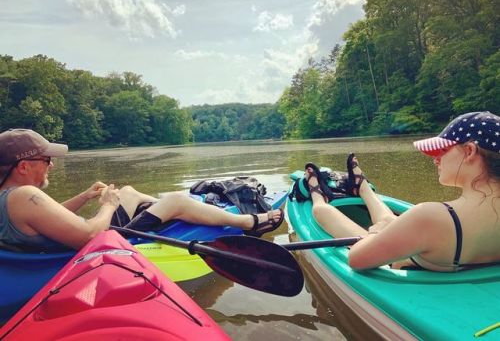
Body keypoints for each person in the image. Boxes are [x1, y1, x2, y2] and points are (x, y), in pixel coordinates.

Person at [0, 129, 284, 251]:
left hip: (80, 237)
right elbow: (88, 236)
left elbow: (47, 218)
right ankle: (248, 222)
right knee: (174, 199)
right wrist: (107, 205)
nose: (50, 165)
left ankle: (166, 216)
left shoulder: (11, 198)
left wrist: (85, 196)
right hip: (100, 243)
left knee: (129, 191)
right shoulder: (25, 196)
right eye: (46, 159)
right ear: (23, 166)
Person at [305, 111, 500, 272]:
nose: (435, 159)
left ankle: (317, 193)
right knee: (389, 221)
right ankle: (363, 189)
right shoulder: (430, 219)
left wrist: (376, 233)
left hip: (400, 259)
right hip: (449, 253)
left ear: (469, 151)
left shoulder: (430, 217)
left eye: (442, 150)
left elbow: (356, 259)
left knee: (321, 211)